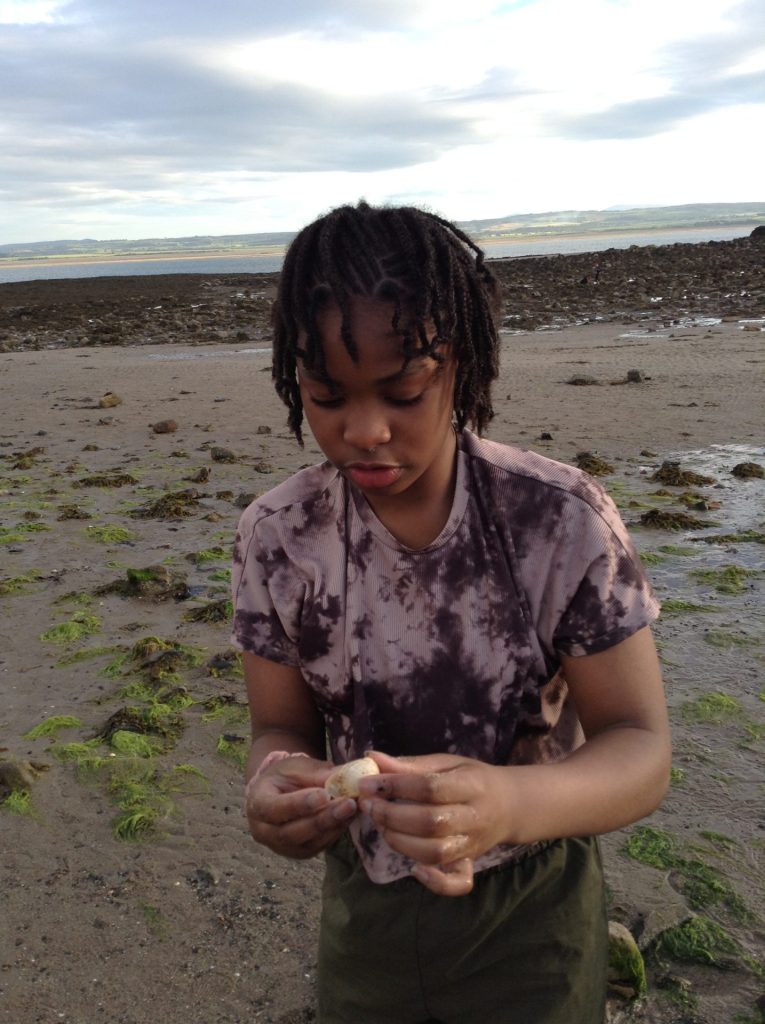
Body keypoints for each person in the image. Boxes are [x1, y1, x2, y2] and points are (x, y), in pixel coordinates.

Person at [232, 201, 671, 1024]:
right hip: (365, 912)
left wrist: (504, 805)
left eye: (402, 393)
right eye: (326, 396)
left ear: (459, 366)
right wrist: (274, 785)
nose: (365, 431)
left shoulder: (557, 520)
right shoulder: (278, 537)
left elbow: (640, 747)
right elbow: (278, 728)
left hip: (531, 914)